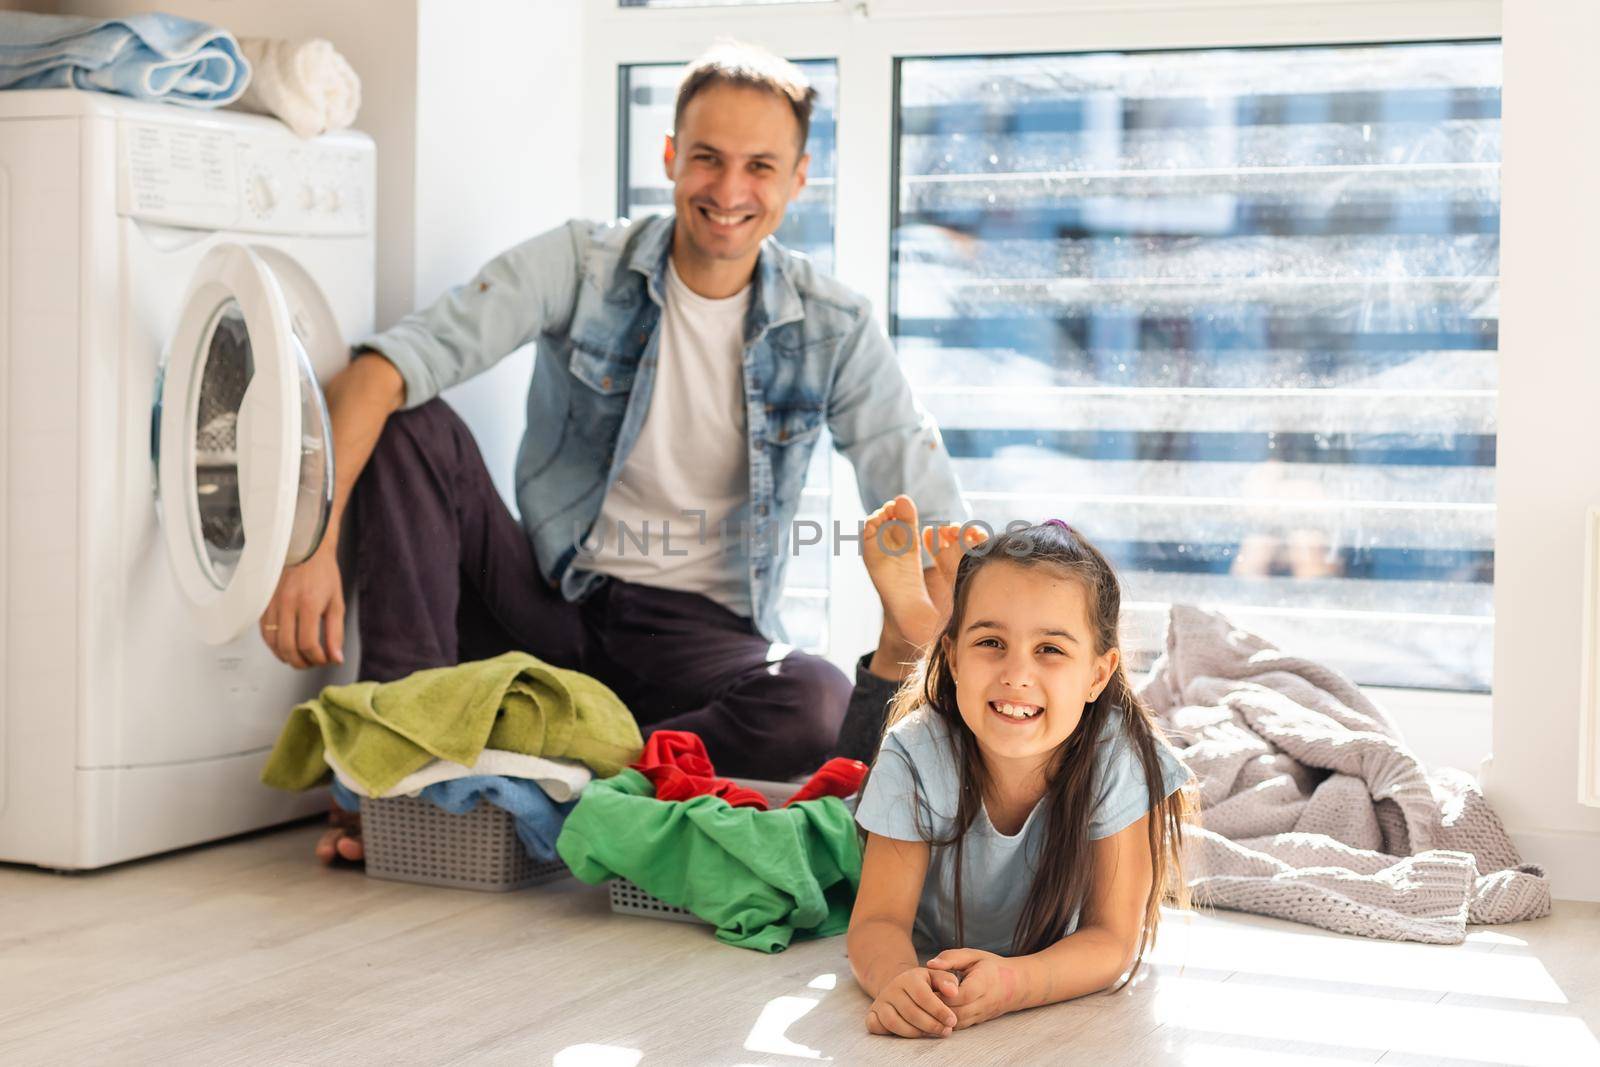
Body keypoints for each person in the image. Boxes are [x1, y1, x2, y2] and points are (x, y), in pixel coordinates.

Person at [258, 42, 967, 864]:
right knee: (415, 423)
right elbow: (380, 373)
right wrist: (307, 546)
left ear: (799, 179)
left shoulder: (831, 326)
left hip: (698, 641)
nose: (730, 191)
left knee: (811, 702)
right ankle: (398, 759)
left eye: (760, 167)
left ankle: (520, 781)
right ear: (670, 156)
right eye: (706, 158)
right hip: (552, 599)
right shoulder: (584, 263)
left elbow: (933, 515)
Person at [844, 516, 1195, 1038]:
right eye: (990, 642)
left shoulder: (1116, 757)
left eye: (1050, 649)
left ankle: (920, 621)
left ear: (1097, 675)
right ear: (955, 661)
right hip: (871, 822)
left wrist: (1015, 983)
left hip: (1035, 956)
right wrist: (897, 979)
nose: (1017, 673)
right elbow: (878, 922)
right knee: (833, 793)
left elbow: (1111, 939)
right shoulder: (915, 749)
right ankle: (909, 632)